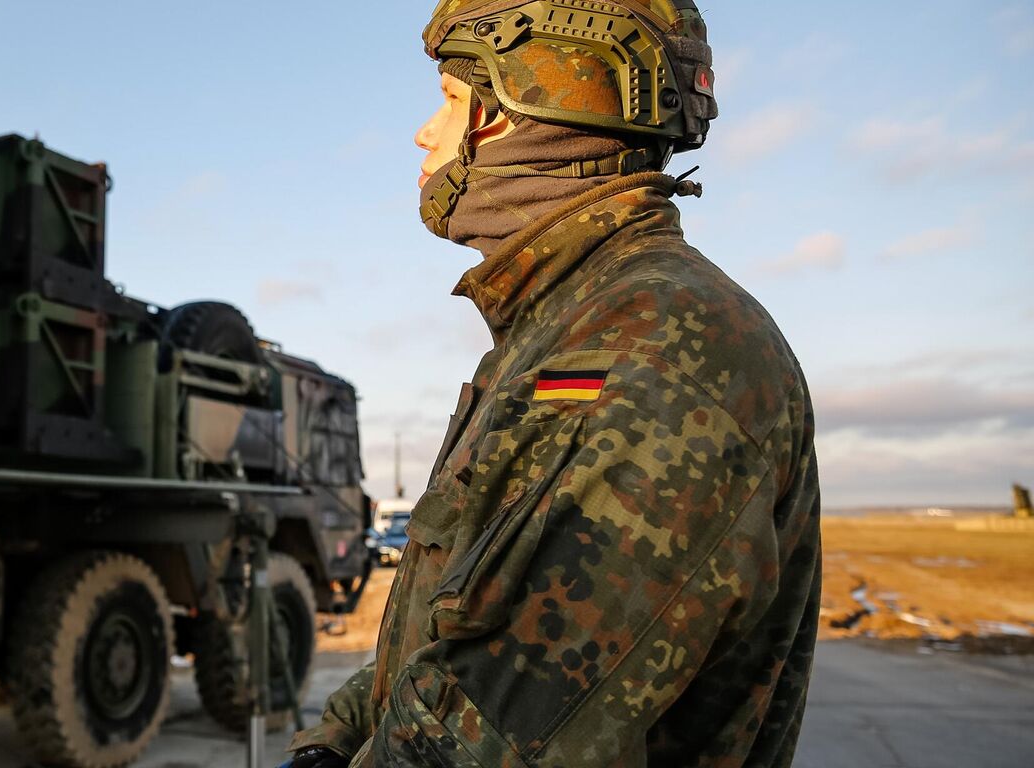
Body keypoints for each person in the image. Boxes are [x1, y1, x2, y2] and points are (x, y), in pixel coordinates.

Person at [286, 1, 821, 766]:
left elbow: (491, 735)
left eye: (446, 100)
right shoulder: (568, 323)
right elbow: (458, 631)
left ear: (523, 102)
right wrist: (331, 743)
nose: (424, 133)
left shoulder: (657, 343)